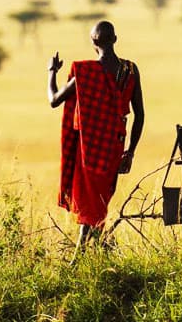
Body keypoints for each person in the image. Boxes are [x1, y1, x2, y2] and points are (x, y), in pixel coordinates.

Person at [48, 20, 145, 250]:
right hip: (114, 147)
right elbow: (139, 115)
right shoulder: (130, 70)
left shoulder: (85, 73)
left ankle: (80, 254)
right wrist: (130, 152)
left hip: (89, 149)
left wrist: (51, 72)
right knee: (99, 200)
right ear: (115, 39)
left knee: (92, 202)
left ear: (93, 42)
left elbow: (54, 100)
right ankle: (103, 248)